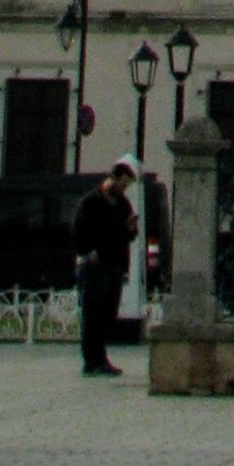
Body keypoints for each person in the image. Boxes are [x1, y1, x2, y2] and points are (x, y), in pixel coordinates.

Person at [71, 157, 139, 377]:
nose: (124, 189)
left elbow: (129, 234)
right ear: (113, 178)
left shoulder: (122, 204)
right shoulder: (91, 202)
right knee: (93, 313)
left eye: (127, 186)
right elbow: (78, 231)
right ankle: (91, 360)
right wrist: (87, 252)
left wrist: (130, 229)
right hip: (95, 266)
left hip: (115, 264)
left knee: (109, 313)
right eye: (123, 184)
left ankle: (101, 357)